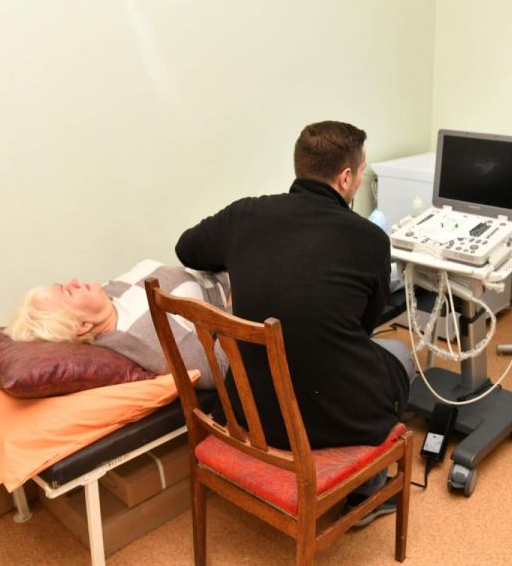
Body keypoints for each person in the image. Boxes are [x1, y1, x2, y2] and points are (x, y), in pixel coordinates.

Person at [176, 120, 413, 526]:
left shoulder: (244, 215)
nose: (358, 182)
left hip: (248, 410)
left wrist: (244, 262)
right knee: (401, 355)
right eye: (360, 173)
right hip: (329, 418)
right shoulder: (370, 239)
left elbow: (187, 248)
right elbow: (365, 326)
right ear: (345, 178)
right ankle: (366, 491)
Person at [5, 260, 230, 390]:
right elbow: (218, 371)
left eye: (62, 285)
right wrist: (236, 298)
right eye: (68, 292)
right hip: (233, 287)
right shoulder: (144, 338)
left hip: (216, 264)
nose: (74, 281)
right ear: (82, 326)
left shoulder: (104, 297)